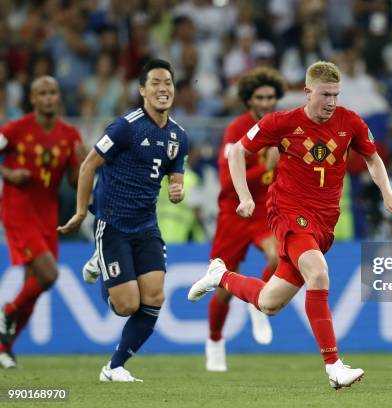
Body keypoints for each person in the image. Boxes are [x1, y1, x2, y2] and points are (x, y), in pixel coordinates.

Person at [188, 61, 392, 389]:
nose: (331, 102)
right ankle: (334, 366)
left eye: (335, 94)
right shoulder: (282, 122)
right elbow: (236, 152)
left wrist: (388, 195)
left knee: (268, 303)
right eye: (324, 95)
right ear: (307, 93)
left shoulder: (351, 123)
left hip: (324, 222)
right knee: (318, 273)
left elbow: (373, 158)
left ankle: (220, 275)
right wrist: (245, 197)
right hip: (289, 214)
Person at [58, 59, 189, 382]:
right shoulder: (126, 126)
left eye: (168, 83)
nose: (163, 88)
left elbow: (175, 173)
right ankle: (100, 263)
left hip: (146, 225)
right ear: (142, 90)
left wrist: (177, 187)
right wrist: (80, 211)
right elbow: (89, 165)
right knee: (127, 306)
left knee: (155, 297)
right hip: (113, 223)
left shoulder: (179, 136)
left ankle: (114, 367)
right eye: (156, 83)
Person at [205, 67, 286, 372]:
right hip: (234, 212)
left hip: (265, 211)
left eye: (270, 97)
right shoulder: (235, 130)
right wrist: (265, 166)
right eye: (259, 97)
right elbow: (227, 182)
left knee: (280, 256)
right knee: (223, 287)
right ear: (248, 100)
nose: (266, 103)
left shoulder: (281, 127)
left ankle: (260, 301)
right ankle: (214, 341)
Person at [0, 76, 84, 369]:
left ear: (58, 97)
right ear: (33, 99)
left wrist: (83, 166)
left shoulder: (70, 135)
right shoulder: (14, 129)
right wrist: (8, 175)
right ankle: (7, 311)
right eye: (42, 93)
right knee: (48, 275)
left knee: (34, 289)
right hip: (18, 209)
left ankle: (3, 347)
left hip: (47, 213)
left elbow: (75, 183)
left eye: (53, 92)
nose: (49, 98)